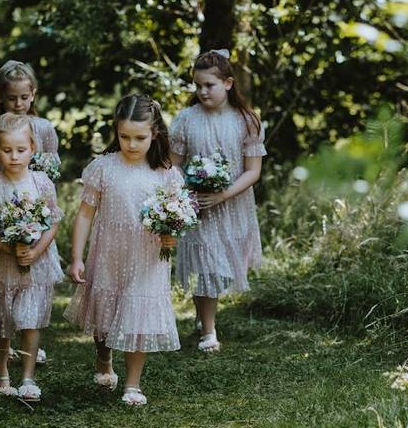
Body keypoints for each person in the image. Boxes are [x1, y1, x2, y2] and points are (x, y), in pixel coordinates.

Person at [65, 94, 182, 406]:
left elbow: (176, 215)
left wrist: (172, 236)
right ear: (115, 132)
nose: (131, 144)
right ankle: (104, 357)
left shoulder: (165, 173)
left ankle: (132, 383)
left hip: (147, 255)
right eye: (124, 136)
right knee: (105, 312)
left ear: (155, 134)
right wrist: (76, 256)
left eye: (140, 138)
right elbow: (86, 213)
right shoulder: (104, 168)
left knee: (137, 313)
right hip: (110, 252)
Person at [168, 49, 266, 353]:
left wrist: (222, 193)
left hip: (233, 203)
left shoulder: (246, 121)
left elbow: (253, 171)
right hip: (199, 205)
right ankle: (208, 331)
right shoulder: (186, 120)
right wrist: (190, 188)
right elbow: (174, 165)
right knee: (207, 262)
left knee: (221, 268)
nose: (202, 91)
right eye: (197, 86)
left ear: (228, 83)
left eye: (209, 85)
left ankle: (203, 314)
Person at [0, 60, 59, 364]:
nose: (18, 104)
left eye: (24, 97)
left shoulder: (43, 128)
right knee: (4, 283)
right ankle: (7, 340)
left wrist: (32, 211)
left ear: (33, 95)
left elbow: (49, 169)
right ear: (0, 97)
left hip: (33, 208)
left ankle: (29, 337)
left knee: (31, 281)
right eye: (11, 98)